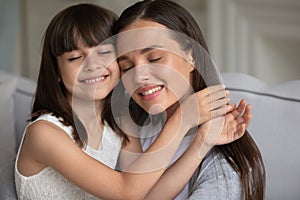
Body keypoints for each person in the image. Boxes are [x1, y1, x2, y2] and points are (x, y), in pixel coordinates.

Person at [14, 3, 248, 200]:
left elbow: (147, 196)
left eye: (104, 52)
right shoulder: (44, 133)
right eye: (75, 58)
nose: (92, 65)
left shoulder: (120, 124)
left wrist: (201, 143)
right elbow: (126, 190)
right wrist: (182, 119)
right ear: (55, 71)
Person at [113, 0, 265, 199]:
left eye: (155, 58)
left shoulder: (222, 164)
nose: (139, 76)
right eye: (126, 67)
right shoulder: (125, 129)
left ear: (191, 55)